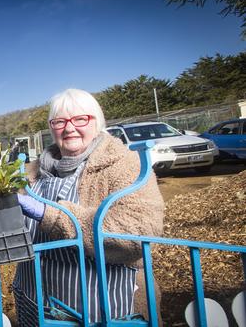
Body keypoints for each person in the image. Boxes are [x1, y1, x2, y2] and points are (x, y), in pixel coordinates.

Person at [12, 88, 164, 325]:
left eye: (80, 119)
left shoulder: (125, 165)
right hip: (36, 301)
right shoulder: (30, 173)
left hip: (101, 307)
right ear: (51, 128)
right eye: (60, 121)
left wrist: (51, 216)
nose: (69, 128)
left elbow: (138, 233)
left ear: (98, 123)